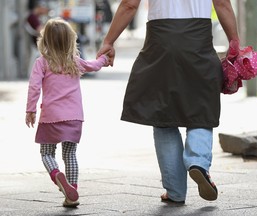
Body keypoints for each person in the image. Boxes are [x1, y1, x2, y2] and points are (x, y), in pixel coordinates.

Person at [97, 0, 239, 204]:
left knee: (162, 114)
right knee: (201, 107)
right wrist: (234, 41)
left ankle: (175, 191)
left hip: (160, 41)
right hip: (198, 39)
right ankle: (198, 161)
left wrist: (109, 41)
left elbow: (129, 4)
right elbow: (222, 3)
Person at [25, 17, 108, 207]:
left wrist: (30, 110)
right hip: (74, 117)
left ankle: (56, 174)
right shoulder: (74, 61)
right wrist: (105, 57)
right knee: (70, 155)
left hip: (51, 117)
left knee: (47, 154)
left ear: (45, 41)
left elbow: (34, 87)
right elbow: (95, 66)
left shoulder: (42, 62)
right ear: (71, 40)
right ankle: (72, 192)